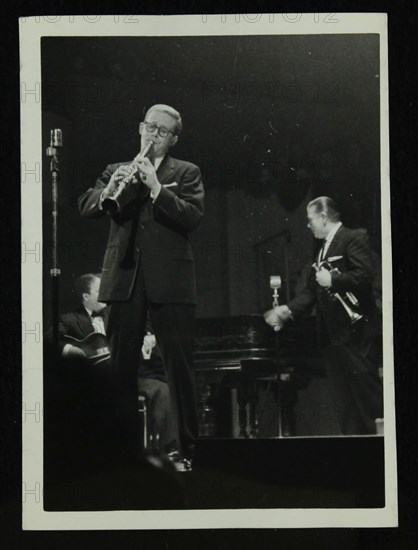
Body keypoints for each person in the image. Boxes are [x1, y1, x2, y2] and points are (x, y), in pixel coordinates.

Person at [78, 104, 204, 467]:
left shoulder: (186, 171)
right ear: (140, 128)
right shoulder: (115, 169)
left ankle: (187, 451)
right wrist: (110, 191)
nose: (153, 134)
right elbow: (87, 205)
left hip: (171, 281)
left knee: (178, 368)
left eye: (162, 131)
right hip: (124, 279)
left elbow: (192, 216)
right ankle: (118, 452)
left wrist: (156, 188)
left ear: (173, 139)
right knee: (120, 369)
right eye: (150, 127)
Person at [264, 196, 383, 435]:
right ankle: (355, 455)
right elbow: (311, 291)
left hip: (355, 335)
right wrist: (287, 310)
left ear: (323, 217)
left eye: (310, 220)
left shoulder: (352, 237)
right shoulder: (322, 250)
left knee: (368, 399)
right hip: (333, 338)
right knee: (346, 406)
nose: (308, 225)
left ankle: (380, 452)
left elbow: (365, 276)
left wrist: (334, 279)